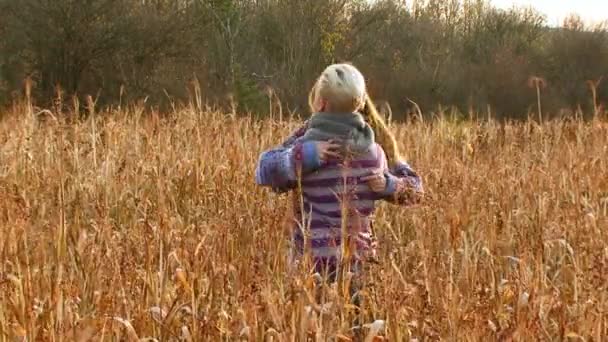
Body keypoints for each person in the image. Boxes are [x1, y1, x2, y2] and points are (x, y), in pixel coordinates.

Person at [254, 63, 423, 289]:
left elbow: (264, 171)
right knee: (355, 322)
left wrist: (304, 156)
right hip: (359, 267)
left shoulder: (305, 149)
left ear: (321, 103)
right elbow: (416, 192)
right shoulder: (376, 154)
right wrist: (389, 185)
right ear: (362, 103)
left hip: (310, 267)